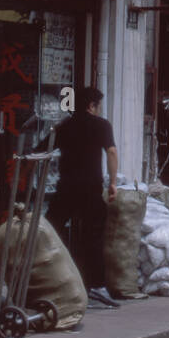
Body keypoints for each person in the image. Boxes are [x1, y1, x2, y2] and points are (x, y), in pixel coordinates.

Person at [52, 85, 119, 308]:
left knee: (53, 231)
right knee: (93, 237)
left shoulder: (65, 126)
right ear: (92, 105)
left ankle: (57, 280)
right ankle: (96, 286)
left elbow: (41, 149)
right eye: (98, 106)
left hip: (66, 189)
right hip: (90, 189)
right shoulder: (101, 126)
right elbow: (111, 152)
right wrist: (112, 183)